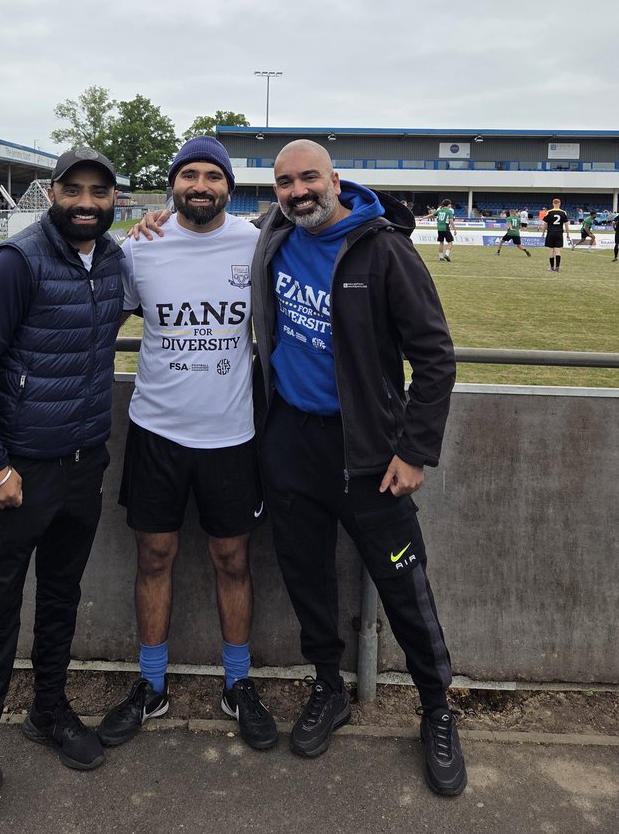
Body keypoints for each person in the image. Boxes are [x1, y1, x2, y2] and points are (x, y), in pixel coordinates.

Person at [251, 140, 466, 796]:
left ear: (335, 180)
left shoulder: (384, 250)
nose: (298, 192)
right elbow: (201, 221)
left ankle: (437, 709)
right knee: (306, 574)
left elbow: (435, 356)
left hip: (369, 453)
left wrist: (414, 450)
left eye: (309, 178)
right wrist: (154, 217)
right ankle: (328, 687)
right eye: (285, 182)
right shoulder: (273, 235)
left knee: (404, 583)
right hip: (290, 441)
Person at [0, 148, 124, 834]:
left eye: (100, 191)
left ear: (115, 199)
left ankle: (48, 708)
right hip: (19, 474)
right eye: (74, 189)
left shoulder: (116, 259)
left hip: (84, 465)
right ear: (53, 194)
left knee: (62, 597)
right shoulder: (17, 260)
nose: (87, 202)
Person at [98, 138, 277, 752]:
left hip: (232, 435)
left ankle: (238, 684)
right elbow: (101, 318)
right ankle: (151, 687)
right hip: (157, 433)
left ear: (229, 187)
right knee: (153, 557)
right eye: (189, 175)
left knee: (233, 560)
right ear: (173, 183)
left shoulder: (256, 246)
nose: (201, 186)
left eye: (212, 176)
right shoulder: (140, 246)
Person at [540, 199, 570, 272]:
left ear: (553, 204)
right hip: (559, 233)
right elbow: (566, 225)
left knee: (551, 251)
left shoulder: (549, 212)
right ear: (559, 204)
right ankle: (557, 267)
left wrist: (543, 232)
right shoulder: (563, 212)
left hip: (551, 233)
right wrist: (568, 234)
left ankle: (551, 267)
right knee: (558, 251)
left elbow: (545, 224)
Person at [434, 198, 455, 262]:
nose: (451, 205)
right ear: (448, 204)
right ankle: (447, 254)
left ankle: (441, 257)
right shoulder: (449, 211)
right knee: (450, 242)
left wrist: (423, 218)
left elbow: (432, 215)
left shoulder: (439, 210)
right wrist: (455, 229)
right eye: (450, 204)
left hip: (439, 228)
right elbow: (451, 221)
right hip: (445, 227)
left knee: (441, 242)